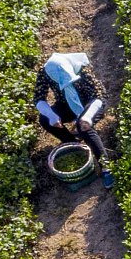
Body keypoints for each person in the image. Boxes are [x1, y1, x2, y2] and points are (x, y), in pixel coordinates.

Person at [33, 52, 112, 187]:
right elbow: (39, 98)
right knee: (44, 119)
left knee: (83, 126)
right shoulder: (45, 72)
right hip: (66, 103)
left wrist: (86, 118)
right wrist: (52, 116)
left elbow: (98, 96)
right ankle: (74, 144)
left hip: (92, 103)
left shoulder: (81, 68)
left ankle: (106, 168)